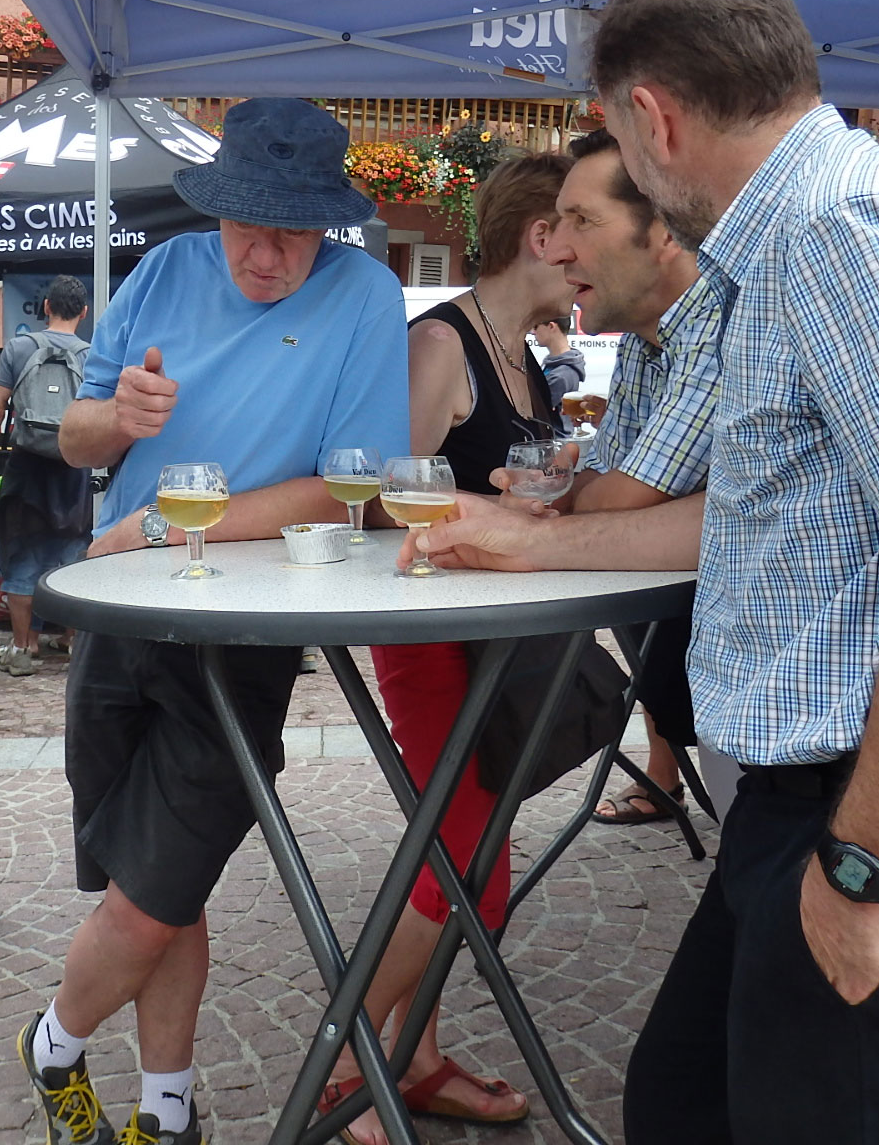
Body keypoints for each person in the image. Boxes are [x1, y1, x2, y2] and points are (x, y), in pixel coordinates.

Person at [413, 0, 879, 1145]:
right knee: (682, 1104)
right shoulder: (813, 235)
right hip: (835, 803)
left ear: (655, 119)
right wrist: (527, 546)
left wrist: (864, 869)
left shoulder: (849, 231)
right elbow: (775, 512)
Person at [16, 98, 409, 1145]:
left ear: (328, 222)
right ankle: (168, 1109)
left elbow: (352, 488)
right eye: (246, 224)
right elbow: (77, 438)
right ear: (216, 207)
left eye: (294, 231)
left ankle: (52, 1043)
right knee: (160, 886)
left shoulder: (365, 294)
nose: (266, 254)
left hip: (240, 627)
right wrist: (116, 419)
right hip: (121, 608)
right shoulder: (163, 270)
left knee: (154, 888)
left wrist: (165, 524)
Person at [319, 153, 571, 1145]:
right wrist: (493, 505)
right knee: (464, 860)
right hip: (430, 638)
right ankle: (349, 1064)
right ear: (542, 236)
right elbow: (389, 500)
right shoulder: (441, 343)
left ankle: (414, 1059)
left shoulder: (520, 354)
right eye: (579, 236)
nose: (587, 262)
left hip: (494, 638)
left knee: (467, 856)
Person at [541, 129, 716, 826]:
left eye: (581, 221)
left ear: (666, 231)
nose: (555, 249)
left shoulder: (719, 323)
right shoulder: (647, 337)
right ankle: (664, 777)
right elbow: (608, 479)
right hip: (710, 661)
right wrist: (578, 491)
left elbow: (628, 494)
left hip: (803, 705)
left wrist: (552, 498)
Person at [0, 274, 95, 676]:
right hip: (73, 468)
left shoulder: (19, 348)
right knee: (73, 555)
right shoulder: (91, 355)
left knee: (21, 555)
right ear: (84, 313)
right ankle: (73, 641)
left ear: (46, 307)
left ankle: (22, 649)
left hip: (26, 468)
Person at [530, 316, 584, 433]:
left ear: (551, 326)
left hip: (554, 438)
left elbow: (534, 411)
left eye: (536, 326)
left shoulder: (562, 374)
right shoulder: (554, 364)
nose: (533, 332)